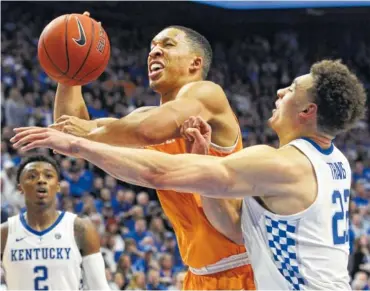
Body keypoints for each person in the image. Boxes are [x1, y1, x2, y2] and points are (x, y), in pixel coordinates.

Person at [11, 59, 367, 289]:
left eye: (290, 90)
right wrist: (205, 167)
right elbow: (232, 226)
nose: (279, 91)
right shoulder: (334, 161)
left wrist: (78, 146)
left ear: (307, 109)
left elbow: (157, 173)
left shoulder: (282, 164)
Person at [49, 13, 255, 290]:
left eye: (168, 45)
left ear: (196, 62)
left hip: (242, 268)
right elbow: (68, 134)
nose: (154, 51)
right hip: (198, 275)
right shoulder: (142, 118)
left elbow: (148, 129)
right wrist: (70, 74)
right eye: (151, 47)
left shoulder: (208, 93)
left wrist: (88, 135)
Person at [0, 155, 110, 290]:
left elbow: (99, 287)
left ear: (58, 186)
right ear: (20, 188)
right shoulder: (4, 233)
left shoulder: (80, 228)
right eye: (32, 176)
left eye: (48, 176)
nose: (41, 180)